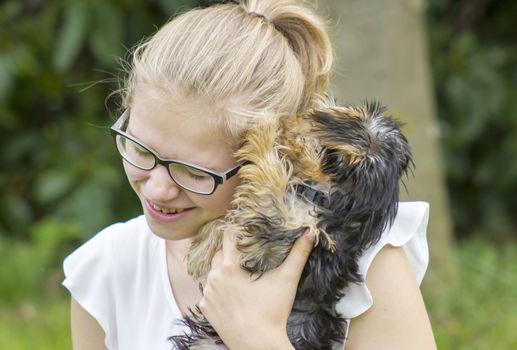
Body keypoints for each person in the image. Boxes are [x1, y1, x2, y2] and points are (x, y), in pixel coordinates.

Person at [62, 0, 437, 349]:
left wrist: (257, 335)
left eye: (194, 173)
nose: (158, 189)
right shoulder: (107, 270)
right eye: (141, 149)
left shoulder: (365, 265)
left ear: (270, 158)